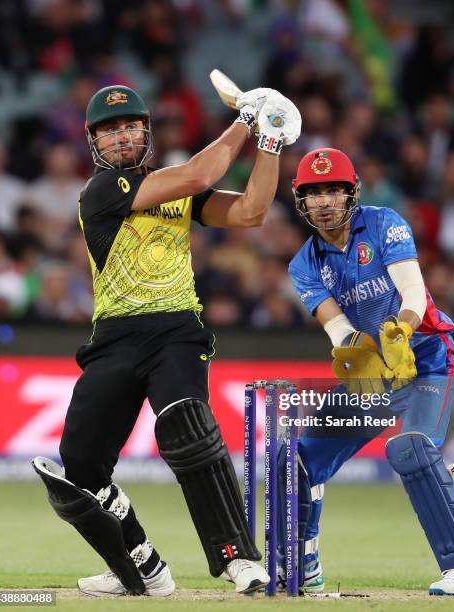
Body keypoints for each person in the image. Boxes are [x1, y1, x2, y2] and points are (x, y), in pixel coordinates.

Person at [32, 84, 301, 597]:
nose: (122, 136)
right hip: (113, 336)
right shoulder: (100, 191)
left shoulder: (175, 188)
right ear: (95, 143)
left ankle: (239, 559)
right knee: (80, 468)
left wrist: (269, 145)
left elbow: (251, 213)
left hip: (176, 329)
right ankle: (144, 565)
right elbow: (201, 172)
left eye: (131, 125)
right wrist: (246, 118)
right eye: (110, 130)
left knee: (186, 427)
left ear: (146, 132)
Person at [282, 148, 454, 596]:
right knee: (296, 461)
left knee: (412, 450)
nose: (324, 201)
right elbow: (336, 325)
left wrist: (403, 330)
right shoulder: (304, 264)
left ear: (350, 193)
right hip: (376, 375)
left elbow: (412, 290)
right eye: (313, 193)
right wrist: (354, 349)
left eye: (333, 190)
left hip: (429, 356)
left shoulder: (383, 223)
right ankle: (305, 566)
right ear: (302, 201)